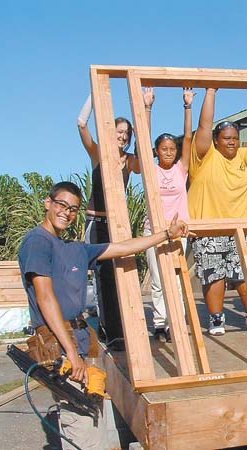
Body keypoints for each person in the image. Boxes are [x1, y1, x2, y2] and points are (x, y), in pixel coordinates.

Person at [18, 181, 193, 450]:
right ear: (48, 203)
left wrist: (166, 235)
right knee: (80, 423)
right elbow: (45, 297)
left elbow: (123, 248)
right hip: (61, 345)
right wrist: (71, 354)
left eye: (73, 209)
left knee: (91, 419)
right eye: (61, 204)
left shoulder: (74, 249)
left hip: (78, 341)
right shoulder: (38, 242)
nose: (66, 212)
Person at [189, 88, 247, 336]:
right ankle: (217, 318)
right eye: (226, 138)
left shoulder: (242, 157)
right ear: (216, 140)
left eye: (235, 138)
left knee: (246, 275)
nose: (232, 142)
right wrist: (211, 91)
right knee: (214, 276)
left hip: (242, 228)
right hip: (210, 228)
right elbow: (204, 127)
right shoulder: (204, 156)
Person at [77, 91, 151, 349]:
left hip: (117, 224)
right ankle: (107, 329)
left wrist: (145, 110)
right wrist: (95, 95)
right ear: (110, 132)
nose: (122, 136)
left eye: (126, 134)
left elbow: (144, 160)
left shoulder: (129, 161)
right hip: (96, 222)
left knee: (119, 276)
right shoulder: (99, 153)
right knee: (101, 275)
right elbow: (81, 124)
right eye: (119, 131)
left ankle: (121, 329)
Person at [144, 88, 195, 342]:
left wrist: (187, 107)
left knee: (175, 280)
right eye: (163, 148)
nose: (168, 152)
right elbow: (142, 140)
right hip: (153, 230)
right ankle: (160, 323)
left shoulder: (180, 169)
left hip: (178, 231)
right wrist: (148, 107)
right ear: (156, 151)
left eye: (172, 149)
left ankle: (176, 322)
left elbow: (188, 138)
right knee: (157, 281)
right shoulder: (150, 170)